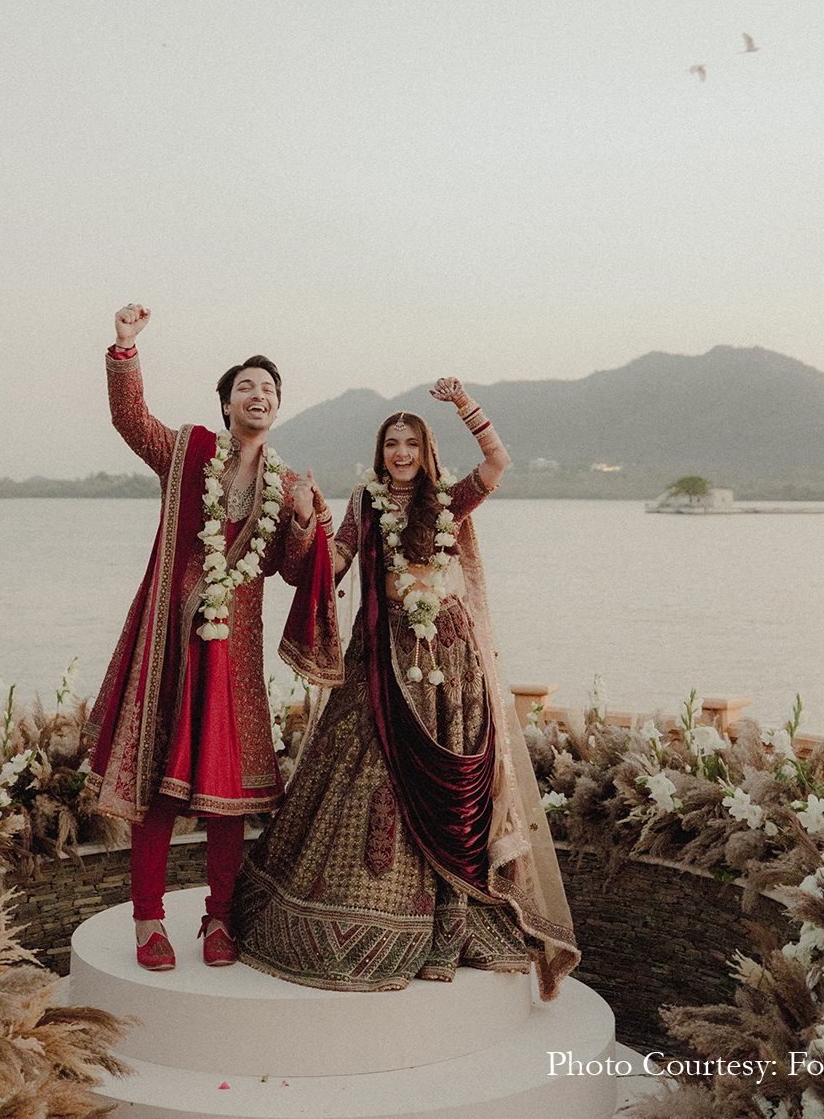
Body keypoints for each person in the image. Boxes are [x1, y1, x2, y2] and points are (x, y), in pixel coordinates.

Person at [233, 379, 579, 998]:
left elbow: (498, 462)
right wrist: (308, 521)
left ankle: (451, 925)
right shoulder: (365, 503)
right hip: (380, 658)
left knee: (454, 793)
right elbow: (336, 561)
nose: (400, 453)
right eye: (391, 444)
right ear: (380, 452)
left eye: (411, 444)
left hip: (449, 666)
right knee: (365, 773)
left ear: (425, 451)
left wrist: (467, 407)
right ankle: (369, 917)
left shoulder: (448, 500)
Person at [86, 304, 343, 970]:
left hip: (236, 657)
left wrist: (305, 522)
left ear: (277, 406)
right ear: (227, 403)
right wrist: (124, 350)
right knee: (158, 786)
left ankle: (220, 919)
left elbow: (294, 571)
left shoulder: (286, 484)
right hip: (172, 647)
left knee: (231, 796)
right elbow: (131, 420)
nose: (260, 394)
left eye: (270, 388)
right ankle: (148, 922)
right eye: (246, 386)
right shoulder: (187, 453)